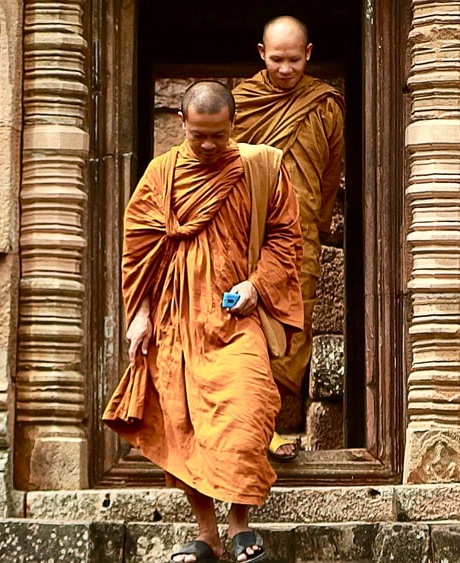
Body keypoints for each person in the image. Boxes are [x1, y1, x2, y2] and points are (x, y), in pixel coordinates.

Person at [103, 81, 304, 563]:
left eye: (217, 134)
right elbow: (139, 251)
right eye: (199, 136)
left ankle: (240, 527)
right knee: (185, 426)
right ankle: (207, 534)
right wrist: (141, 314)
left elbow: (285, 239)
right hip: (175, 321)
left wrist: (257, 285)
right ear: (181, 123)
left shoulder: (263, 167)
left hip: (237, 320)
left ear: (232, 123)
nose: (209, 145)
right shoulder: (161, 175)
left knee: (247, 411)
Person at [231, 15, 346, 461]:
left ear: (309, 54)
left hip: (300, 242)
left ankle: (280, 429)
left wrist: (313, 225)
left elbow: (329, 173)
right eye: (276, 59)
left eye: (294, 60)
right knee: (243, 328)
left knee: (294, 331)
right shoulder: (240, 103)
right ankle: (241, 430)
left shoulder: (324, 106)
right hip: (246, 240)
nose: (285, 69)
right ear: (262, 55)